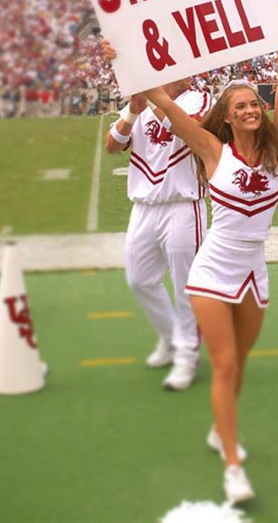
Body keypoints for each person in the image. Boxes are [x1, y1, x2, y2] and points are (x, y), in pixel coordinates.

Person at [142, 0, 278, 504]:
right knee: (225, 365)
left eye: (254, 104)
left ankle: (218, 430)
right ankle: (232, 466)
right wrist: (127, 59)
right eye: (240, 107)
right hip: (212, 270)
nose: (250, 109)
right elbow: (163, 102)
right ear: (226, 118)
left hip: (255, 272)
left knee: (240, 363)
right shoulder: (214, 152)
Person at [103, 40, 212, 391]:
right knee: (139, 278)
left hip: (183, 204)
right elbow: (113, 145)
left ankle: (188, 356)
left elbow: (182, 128)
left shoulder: (200, 98)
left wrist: (149, 96)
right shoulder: (144, 102)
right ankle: (170, 337)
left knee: (186, 286)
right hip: (145, 206)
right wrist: (133, 110)